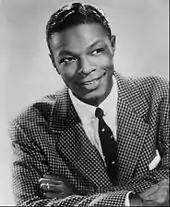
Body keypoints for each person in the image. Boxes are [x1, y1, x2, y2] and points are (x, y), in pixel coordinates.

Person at [9, 2, 169, 206]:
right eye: (68, 59)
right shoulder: (29, 126)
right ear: (54, 63)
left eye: (96, 51)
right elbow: (29, 205)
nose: (85, 68)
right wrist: (133, 201)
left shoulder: (159, 94)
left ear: (113, 46)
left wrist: (80, 197)